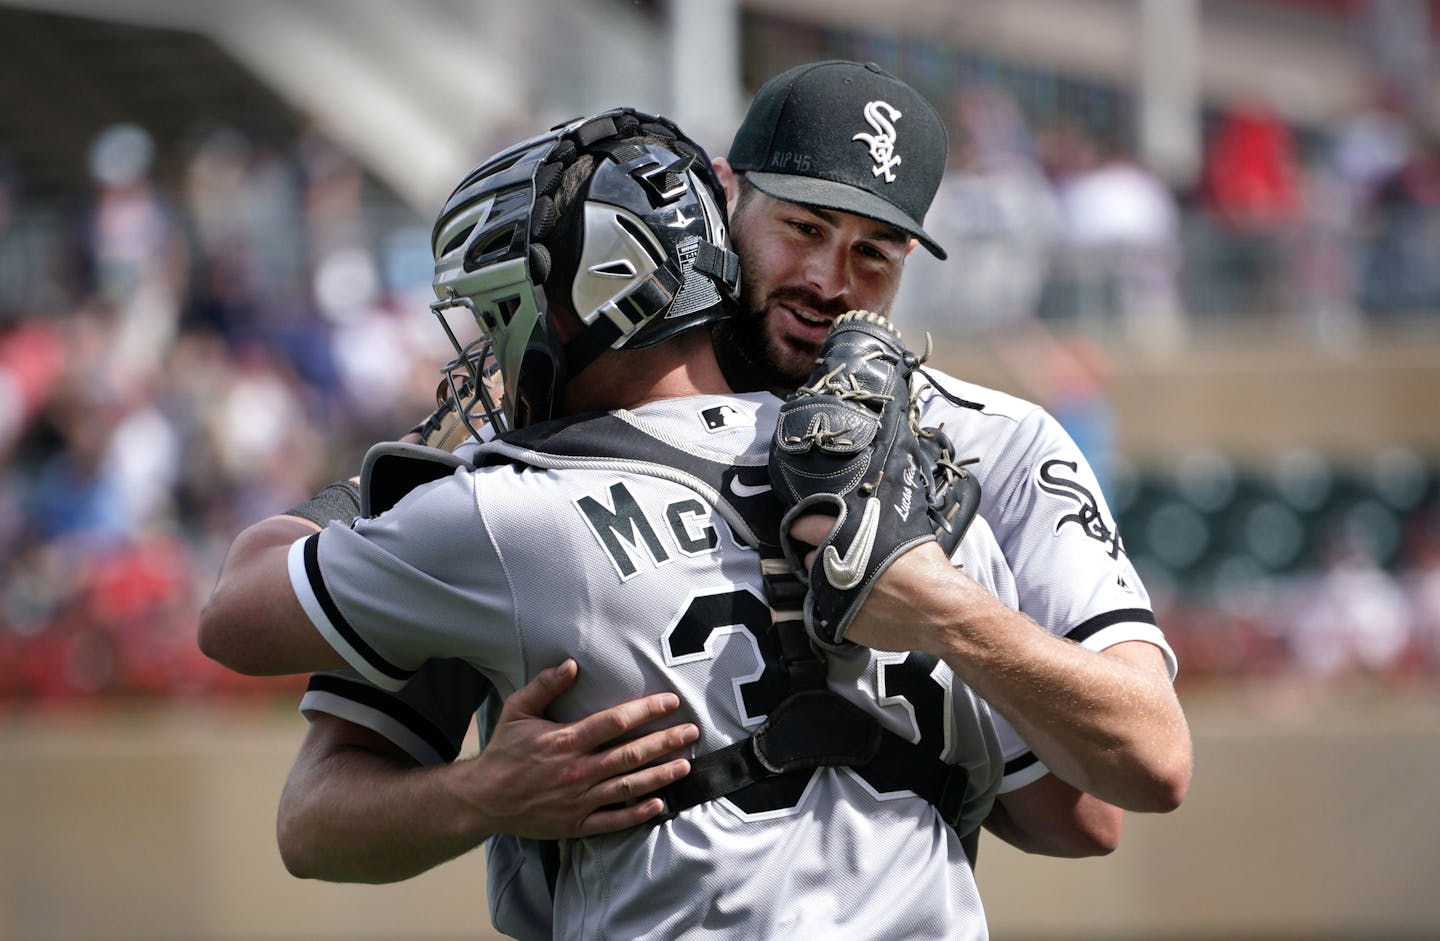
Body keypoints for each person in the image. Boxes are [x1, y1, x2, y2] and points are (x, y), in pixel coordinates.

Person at [264, 61, 1191, 937]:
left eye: (875, 253)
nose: (830, 283)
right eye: (802, 228)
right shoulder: (535, 469)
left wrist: (943, 626)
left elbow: (1110, 791)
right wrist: (477, 795)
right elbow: (314, 819)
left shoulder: (989, 444)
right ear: (723, 195)